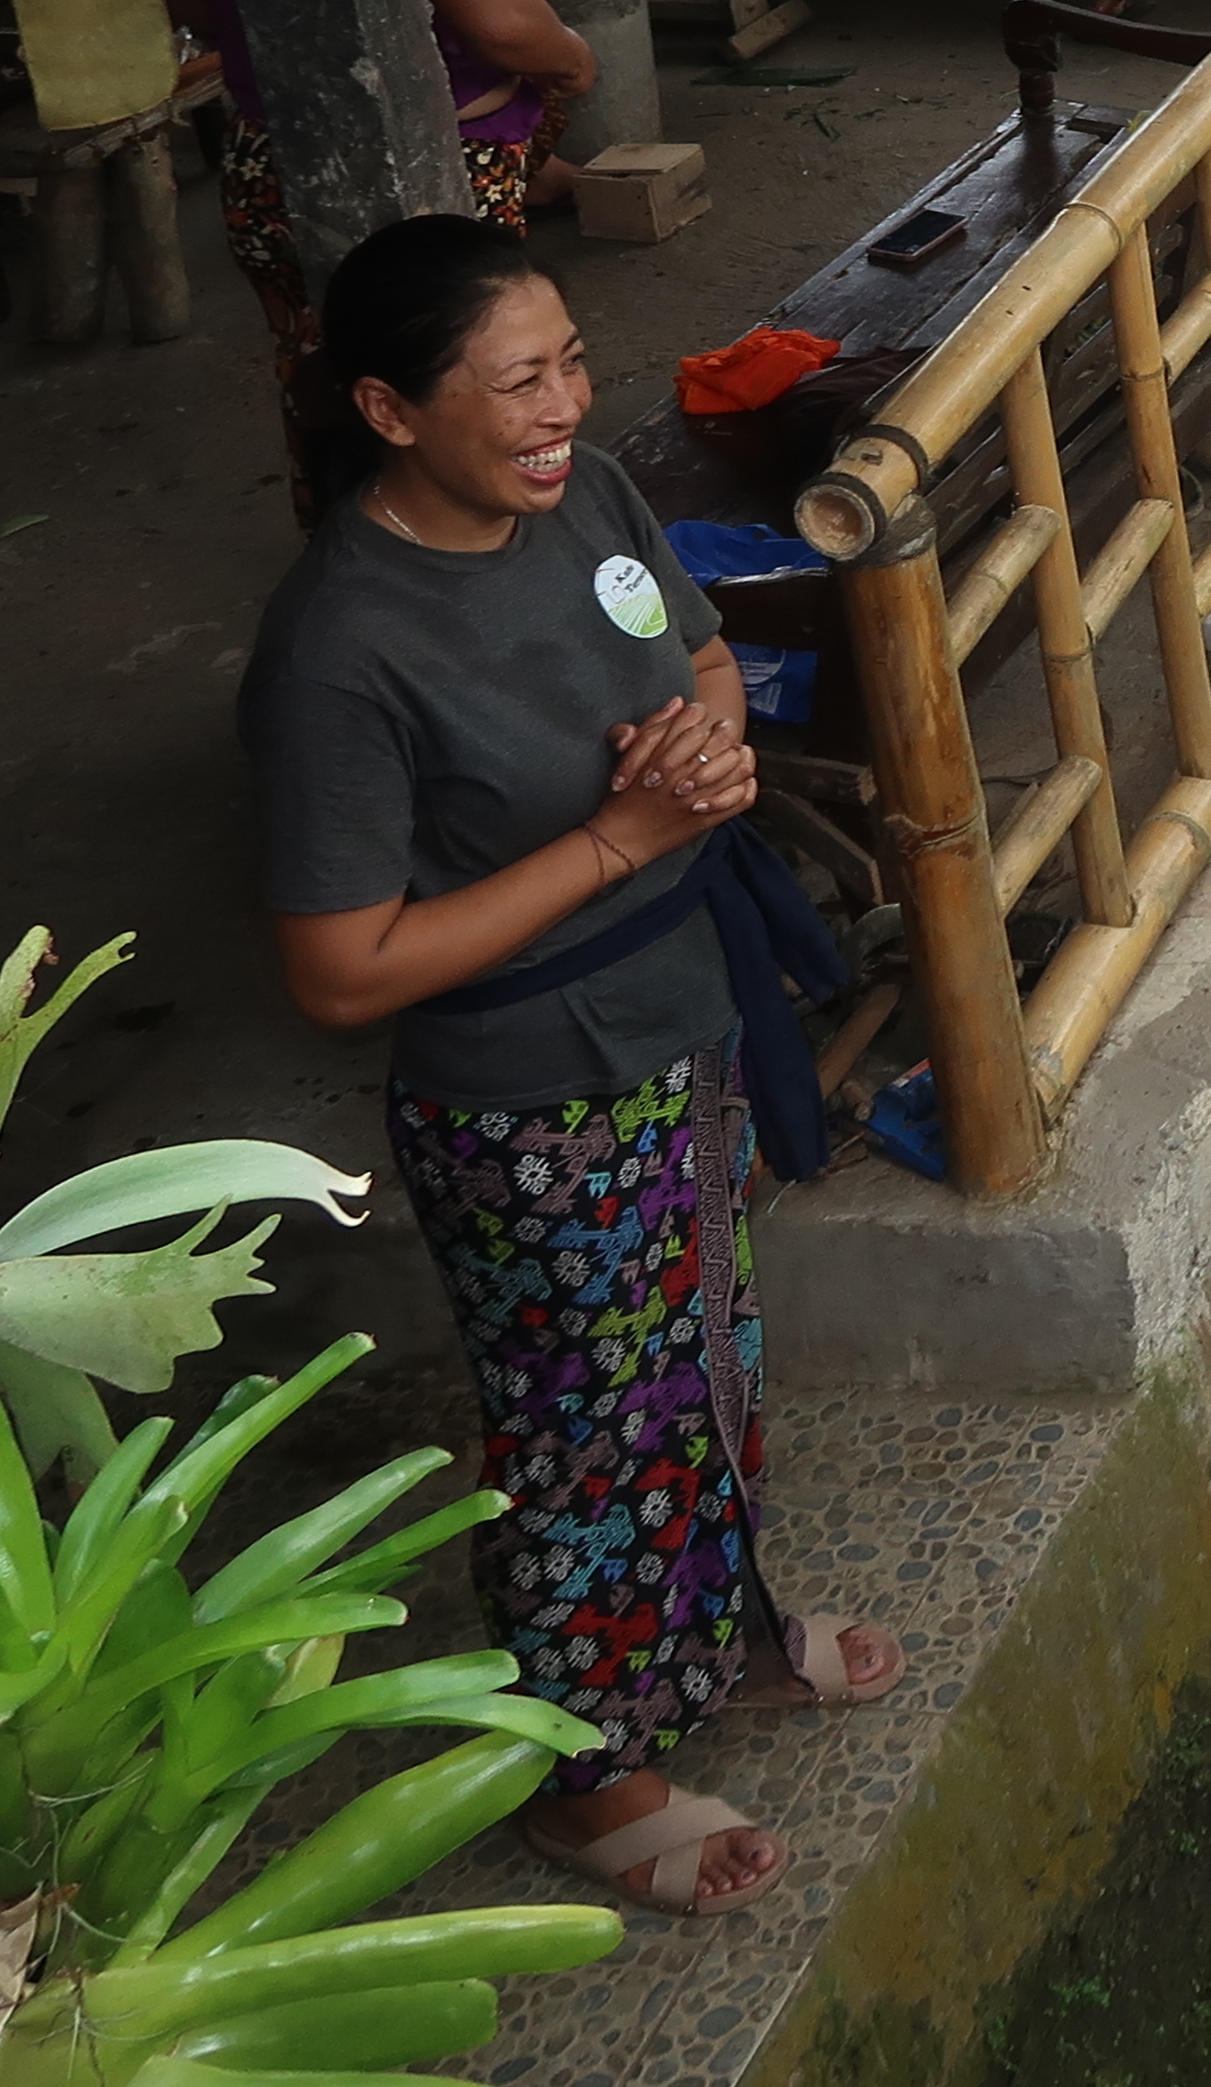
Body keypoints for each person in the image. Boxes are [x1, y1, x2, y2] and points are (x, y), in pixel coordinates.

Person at [240, 218, 899, 1919]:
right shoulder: (340, 647)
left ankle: (716, 1636)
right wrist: (621, 837)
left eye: (570, 362)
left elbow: (685, 656)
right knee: (577, 1436)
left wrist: (705, 737)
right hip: (530, 1092)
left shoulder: (584, 494)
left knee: (703, 1358)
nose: (563, 405)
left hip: (684, 1015)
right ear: (389, 407)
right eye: (518, 378)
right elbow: (340, 966)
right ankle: (585, 1776)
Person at [146, 0, 596, 488]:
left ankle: (350, 528)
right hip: (439, 163)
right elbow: (503, 26)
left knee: (322, 361)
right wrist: (575, 62)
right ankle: (475, 539)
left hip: (266, 164)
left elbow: (195, 3)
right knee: (471, 374)